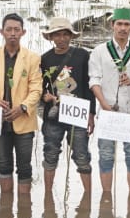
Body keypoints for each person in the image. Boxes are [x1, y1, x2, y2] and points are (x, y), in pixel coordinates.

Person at [0, 13, 43, 199]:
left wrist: (22, 107)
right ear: (2, 32)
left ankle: (24, 208)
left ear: (23, 32)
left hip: (23, 120)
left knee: (24, 166)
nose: (13, 33)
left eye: (16, 30)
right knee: (3, 165)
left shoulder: (32, 58)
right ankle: (5, 207)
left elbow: (36, 89)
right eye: (9, 29)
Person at [89, 6, 130, 197]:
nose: (122, 28)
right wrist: (104, 105)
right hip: (108, 112)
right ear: (112, 26)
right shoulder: (99, 51)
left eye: (126, 24)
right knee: (106, 156)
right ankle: (107, 197)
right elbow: (94, 80)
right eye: (119, 24)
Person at [38, 16, 95, 196]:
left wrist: (91, 114)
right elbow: (38, 86)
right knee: (50, 154)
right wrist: (43, 96)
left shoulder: (83, 55)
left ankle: (88, 197)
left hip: (77, 115)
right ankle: (48, 196)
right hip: (53, 116)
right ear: (51, 37)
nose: (61, 39)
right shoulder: (44, 59)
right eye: (57, 35)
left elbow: (89, 86)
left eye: (65, 35)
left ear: (71, 36)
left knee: (82, 157)